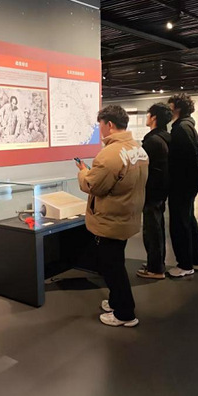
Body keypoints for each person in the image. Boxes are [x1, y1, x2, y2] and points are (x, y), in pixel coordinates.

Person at [76, 105, 149, 327]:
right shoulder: (138, 148)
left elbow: (93, 185)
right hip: (127, 215)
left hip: (111, 220)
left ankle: (125, 313)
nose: (99, 129)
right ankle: (116, 301)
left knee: (113, 267)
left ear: (109, 124)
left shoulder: (109, 155)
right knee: (115, 261)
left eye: (100, 125)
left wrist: (83, 172)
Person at [167, 93, 198, 278]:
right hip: (187, 183)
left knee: (180, 223)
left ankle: (185, 264)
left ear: (177, 107)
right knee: (188, 220)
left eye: (170, 105)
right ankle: (196, 260)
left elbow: (189, 157)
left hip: (182, 183)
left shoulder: (181, 128)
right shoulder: (187, 126)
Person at [137, 102, 172, 280]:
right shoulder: (167, 137)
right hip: (162, 189)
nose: (147, 117)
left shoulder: (152, 141)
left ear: (154, 118)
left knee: (152, 229)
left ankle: (155, 268)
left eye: (148, 114)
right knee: (157, 226)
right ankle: (156, 264)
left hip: (152, 190)